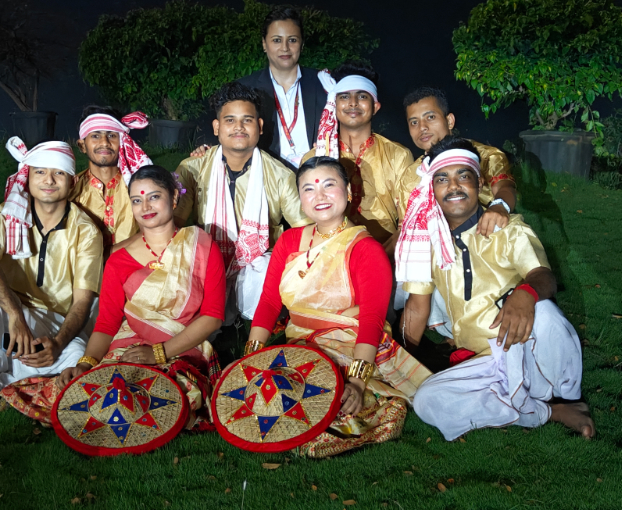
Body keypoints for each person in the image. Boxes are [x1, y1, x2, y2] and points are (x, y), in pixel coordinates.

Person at [0, 165, 225, 431]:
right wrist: (86, 364)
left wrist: (158, 353)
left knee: (168, 389)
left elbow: (212, 317)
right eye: (137, 200)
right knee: (106, 388)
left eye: (154, 196)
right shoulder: (118, 261)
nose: (146, 206)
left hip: (182, 350)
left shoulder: (201, 245)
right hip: (128, 350)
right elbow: (107, 324)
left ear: (174, 198)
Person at [397, 137, 594, 441]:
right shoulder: (427, 242)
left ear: (478, 182)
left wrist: (525, 294)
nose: (453, 186)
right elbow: (416, 306)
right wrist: (401, 362)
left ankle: (564, 397)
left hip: (525, 345)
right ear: (432, 189)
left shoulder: (508, 228)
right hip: (483, 361)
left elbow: (544, 277)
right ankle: (549, 412)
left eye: (463, 175)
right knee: (427, 400)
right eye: (442, 179)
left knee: (544, 311)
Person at [246, 157, 431, 457]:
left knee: (334, 405)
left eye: (329, 185)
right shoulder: (289, 241)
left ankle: (375, 398)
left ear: (348, 193)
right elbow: (269, 302)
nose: (319, 196)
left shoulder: (365, 249)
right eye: (308, 189)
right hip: (299, 344)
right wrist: (250, 359)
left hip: (351, 345)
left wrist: (357, 382)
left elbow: (372, 319)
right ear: (301, 200)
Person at [0, 138, 103, 426]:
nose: (48, 181)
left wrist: (57, 343)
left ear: (71, 181)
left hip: (54, 322)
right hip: (5, 314)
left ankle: (16, 375)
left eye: (58, 173)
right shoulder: (8, 213)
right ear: (27, 178)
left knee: (77, 358)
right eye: (40, 172)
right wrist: (15, 313)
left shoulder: (86, 230)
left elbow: (82, 302)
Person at [174, 82, 309, 322]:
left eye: (247, 120)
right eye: (229, 120)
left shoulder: (280, 174)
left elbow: (305, 230)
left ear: (259, 126)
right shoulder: (193, 168)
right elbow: (172, 222)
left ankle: (261, 323)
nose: (238, 127)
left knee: (271, 267)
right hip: (209, 260)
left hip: (259, 264)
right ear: (216, 127)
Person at [192, 6, 327, 170]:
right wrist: (206, 146)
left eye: (292, 40)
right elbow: (221, 122)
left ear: (302, 44)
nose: (285, 48)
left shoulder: (323, 83)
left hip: (316, 177)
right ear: (264, 44)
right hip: (267, 178)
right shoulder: (246, 88)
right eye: (276, 40)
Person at [302, 62, 414, 255]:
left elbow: (409, 223)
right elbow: (308, 222)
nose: (353, 102)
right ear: (333, 104)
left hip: (389, 257)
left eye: (362, 96)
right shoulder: (315, 157)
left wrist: (376, 260)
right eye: (344, 96)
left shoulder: (398, 155)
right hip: (330, 258)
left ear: (375, 106)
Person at [401, 87, 516, 235]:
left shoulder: (486, 157)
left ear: (449, 121)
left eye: (430, 117)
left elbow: (505, 188)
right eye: (414, 122)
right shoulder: (410, 175)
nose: (422, 127)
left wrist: (499, 207)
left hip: (486, 240)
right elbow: (406, 228)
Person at [72, 106, 151, 253]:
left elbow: (155, 231)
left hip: (133, 268)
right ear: (82, 145)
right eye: (95, 136)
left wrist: (109, 253)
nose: (104, 142)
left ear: (122, 141)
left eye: (112, 135)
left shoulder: (138, 186)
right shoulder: (71, 189)